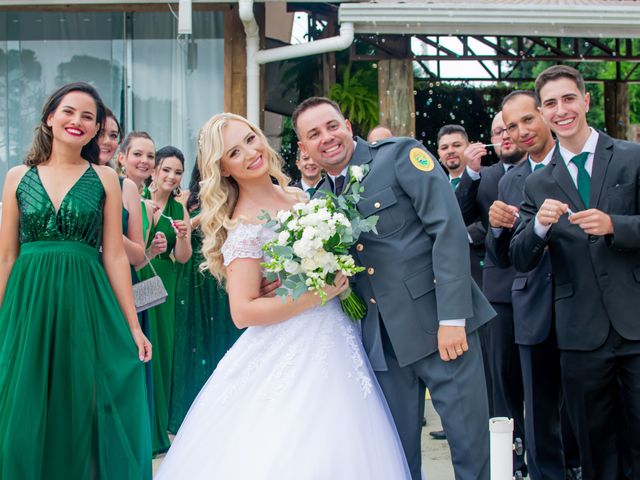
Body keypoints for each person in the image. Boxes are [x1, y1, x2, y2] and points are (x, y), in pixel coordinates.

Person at [155, 112, 411, 479]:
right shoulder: (243, 224)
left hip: (338, 333)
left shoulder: (298, 195)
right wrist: (315, 295)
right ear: (224, 168)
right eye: (234, 152)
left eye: (250, 139)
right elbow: (242, 311)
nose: (249, 152)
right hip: (292, 346)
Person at [294, 97, 495, 480]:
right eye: (314, 134)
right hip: (381, 344)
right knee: (396, 459)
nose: (327, 138)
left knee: (470, 449)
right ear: (304, 148)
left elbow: (447, 228)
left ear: (348, 125)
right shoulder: (317, 202)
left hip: (440, 328)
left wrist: (453, 317)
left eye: (332, 126)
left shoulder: (399, 155)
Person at [0, 82, 152, 479]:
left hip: (85, 300)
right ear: (50, 117)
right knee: (23, 401)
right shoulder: (18, 176)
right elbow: (6, 255)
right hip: (27, 301)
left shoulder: (105, 178)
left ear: (96, 130)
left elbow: (116, 256)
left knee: (82, 402)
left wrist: (133, 325)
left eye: (89, 117)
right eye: (69, 111)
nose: (78, 121)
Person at [510, 65, 640, 480]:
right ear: (543, 113)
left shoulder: (631, 157)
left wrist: (616, 226)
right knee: (593, 447)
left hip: (635, 323)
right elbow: (520, 257)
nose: (560, 110)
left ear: (586, 101)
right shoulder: (538, 182)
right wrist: (539, 227)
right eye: (550, 103)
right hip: (580, 335)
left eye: (568, 99)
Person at [486, 90, 580, 480]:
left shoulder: (578, 167)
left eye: (527, 119)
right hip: (532, 308)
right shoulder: (511, 182)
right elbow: (504, 255)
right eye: (510, 126)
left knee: (584, 409)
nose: (519, 131)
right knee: (538, 415)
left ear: (544, 115)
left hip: (585, 304)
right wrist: (495, 228)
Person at [455, 111, 528, 476]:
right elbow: (458, 216)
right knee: (500, 378)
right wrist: (468, 174)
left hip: (543, 284)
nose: (506, 135)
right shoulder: (484, 177)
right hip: (497, 288)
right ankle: (508, 456)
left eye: (511, 128)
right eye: (499, 130)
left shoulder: (545, 169)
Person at [167, 162, 243, 433]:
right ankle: (192, 413)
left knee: (224, 338)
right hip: (194, 273)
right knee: (194, 340)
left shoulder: (233, 193)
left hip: (222, 272)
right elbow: (182, 228)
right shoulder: (187, 198)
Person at [432, 124, 492, 442]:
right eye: (445, 147)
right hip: (448, 286)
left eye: (457, 145)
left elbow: (485, 220)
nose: (451, 151)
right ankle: (457, 421)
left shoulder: (483, 177)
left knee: (486, 359)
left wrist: (460, 237)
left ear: (470, 146)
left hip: (481, 275)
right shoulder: (433, 182)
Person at [139, 145, 192, 455]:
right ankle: (141, 426)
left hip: (165, 281)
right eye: (167, 170)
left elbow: (183, 258)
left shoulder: (178, 208)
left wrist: (182, 235)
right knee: (140, 347)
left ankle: (159, 430)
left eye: (178, 173)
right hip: (140, 274)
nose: (172, 177)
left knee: (162, 352)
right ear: (155, 170)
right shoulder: (137, 199)